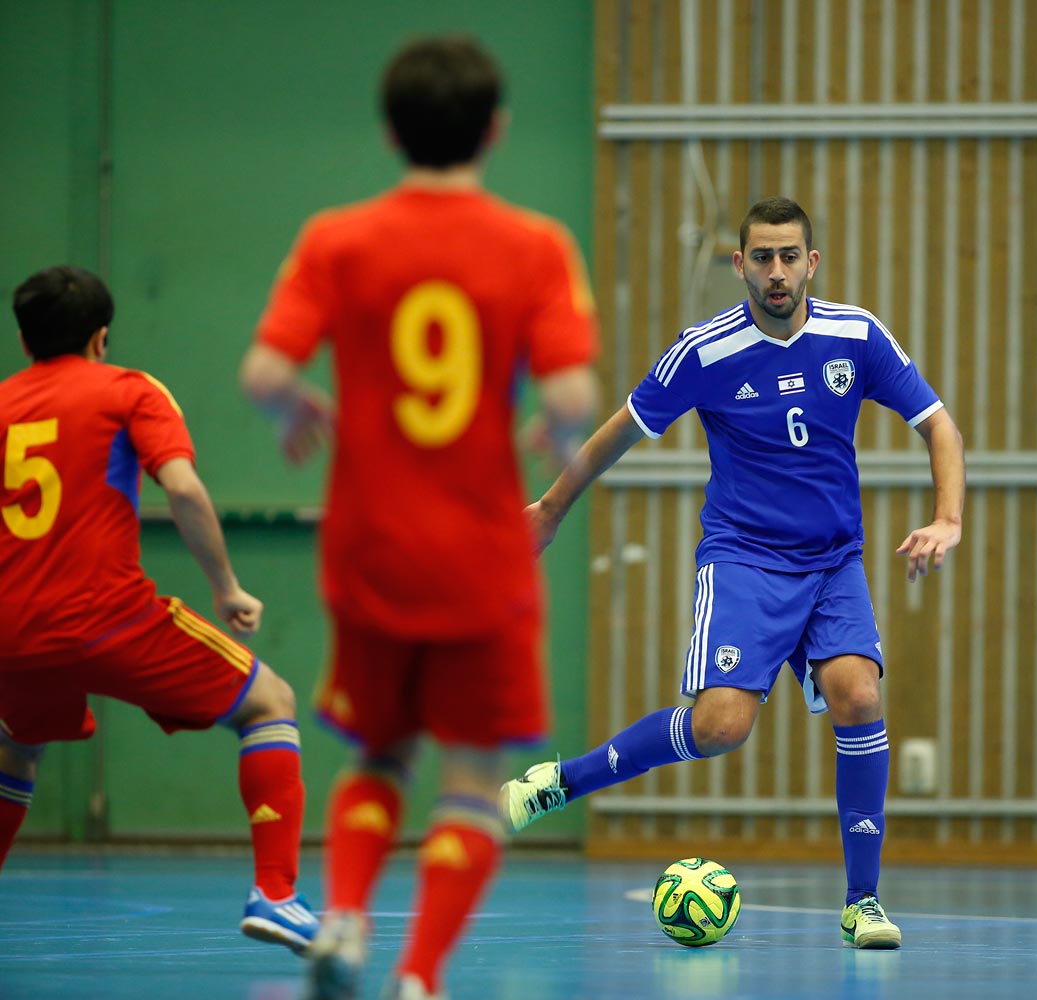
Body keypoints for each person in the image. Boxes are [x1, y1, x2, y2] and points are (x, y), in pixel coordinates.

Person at [500, 195, 966, 950]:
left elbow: (938, 423)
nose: (777, 272)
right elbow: (618, 431)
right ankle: (562, 782)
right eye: (762, 257)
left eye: (790, 256)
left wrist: (947, 518)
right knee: (720, 727)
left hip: (833, 562)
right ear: (739, 264)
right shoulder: (704, 352)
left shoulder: (856, 335)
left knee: (859, 694)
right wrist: (550, 510)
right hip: (745, 559)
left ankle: (864, 902)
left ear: (812, 263)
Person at [240, 35, 600, 1000]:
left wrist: (296, 412)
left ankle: (346, 918)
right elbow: (571, 398)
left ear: (392, 130)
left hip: (369, 546)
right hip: (480, 557)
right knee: (472, 781)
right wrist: (555, 440)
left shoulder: (336, 239)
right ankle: (417, 976)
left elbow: (265, 373)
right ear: (496, 129)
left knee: (379, 751)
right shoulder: (534, 246)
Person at [0, 266, 316, 953]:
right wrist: (226, 585)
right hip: (107, 616)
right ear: (101, 337)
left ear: (23, 339)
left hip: (12, 630)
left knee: (17, 748)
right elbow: (183, 488)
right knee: (269, 702)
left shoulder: (1, 405)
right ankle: (277, 894)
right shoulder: (127, 391)